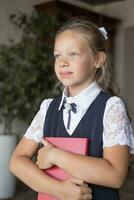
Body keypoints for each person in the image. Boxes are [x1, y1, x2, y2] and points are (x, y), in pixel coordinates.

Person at [10, 17, 134, 200]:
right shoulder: (48, 108)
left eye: (73, 54)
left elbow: (115, 176)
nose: (63, 62)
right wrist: (58, 189)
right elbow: (16, 161)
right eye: (57, 55)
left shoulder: (111, 107)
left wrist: (54, 155)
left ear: (98, 60)